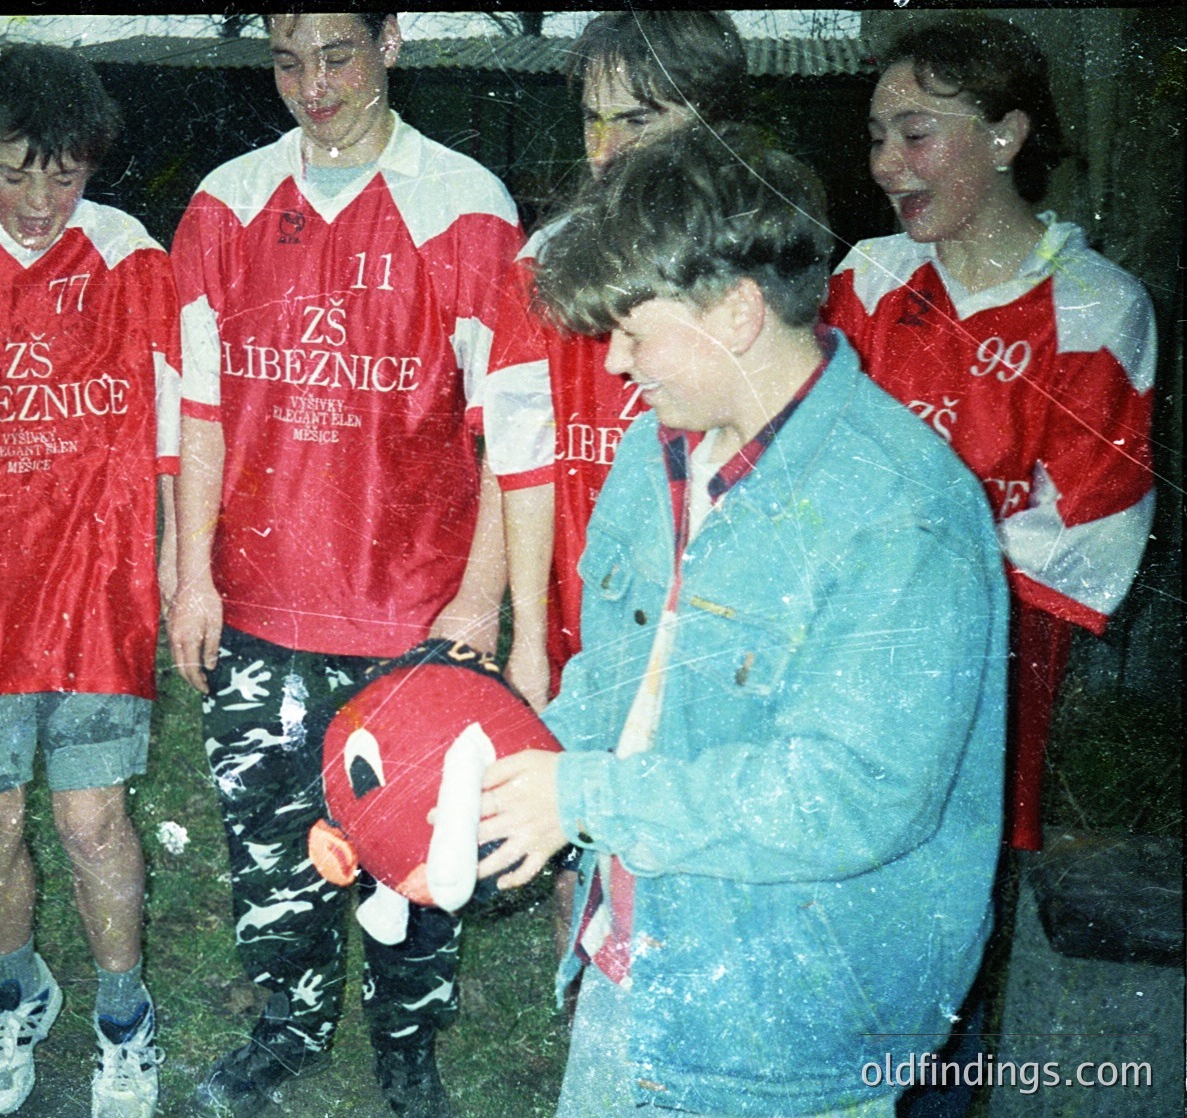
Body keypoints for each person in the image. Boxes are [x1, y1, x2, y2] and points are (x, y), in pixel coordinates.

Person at [476, 124, 1007, 1116]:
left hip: (784, 1032)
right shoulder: (655, 455)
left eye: (634, 329)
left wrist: (583, 794)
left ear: (736, 310)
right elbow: (618, 674)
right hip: (631, 968)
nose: (613, 363)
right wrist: (501, 768)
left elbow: (849, 795)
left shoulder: (901, 511)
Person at [168, 12, 531, 1117]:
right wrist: (193, 575)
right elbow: (198, 411)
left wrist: (481, 593)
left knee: (414, 845)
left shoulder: (467, 206)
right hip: (265, 598)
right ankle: (289, 1019)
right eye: (287, 60)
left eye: (339, 54)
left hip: (411, 605)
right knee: (273, 838)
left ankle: (408, 1041)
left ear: (393, 43)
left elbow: (506, 430)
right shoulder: (225, 204)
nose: (313, 85)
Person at [0, 44, 176, 1118]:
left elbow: (172, 431)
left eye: (62, 174)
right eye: (13, 170)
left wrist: (168, 557)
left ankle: (124, 1013)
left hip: (95, 585)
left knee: (93, 819)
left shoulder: (126, 253)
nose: (37, 199)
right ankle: (14, 989)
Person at [823, 17, 1155, 855]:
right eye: (876, 139)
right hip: (840, 630)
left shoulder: (1096, 307)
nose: (888, 165)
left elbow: (1092, 522)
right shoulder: (866, 278)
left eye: (916, 133)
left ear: (1005, 135)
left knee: (961, 864)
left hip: (992, 654)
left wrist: (924, 591)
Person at [485, 11, 748, 709]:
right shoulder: (543, 262)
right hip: (587, 615)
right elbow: (525, 461)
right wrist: (530, 643)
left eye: (635, 122)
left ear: (710, 120)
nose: (603, 152)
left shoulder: (763, 259)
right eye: (591, 121)